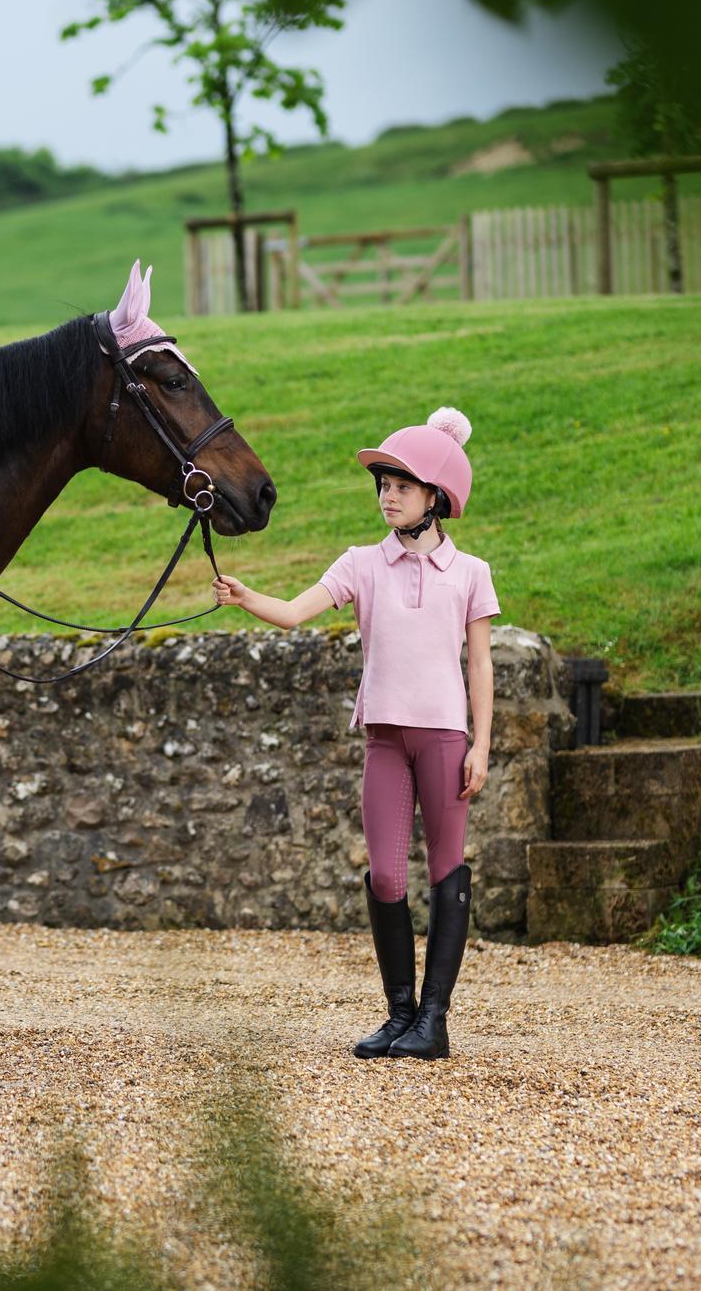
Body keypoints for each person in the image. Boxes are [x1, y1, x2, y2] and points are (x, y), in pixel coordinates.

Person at [213, 407, 497, 1060]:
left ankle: (435, 1020)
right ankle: (400, 1013)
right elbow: (293, 612)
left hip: (446, 740)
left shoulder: (471, 573)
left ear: (435, 497)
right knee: (386, 878)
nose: (387, 495)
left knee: (447, 871)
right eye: (382, 484)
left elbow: (479, 662)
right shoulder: (362, 564)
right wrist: (247, 594)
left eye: (401, 485)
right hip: (384, 741)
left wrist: (482, 744)